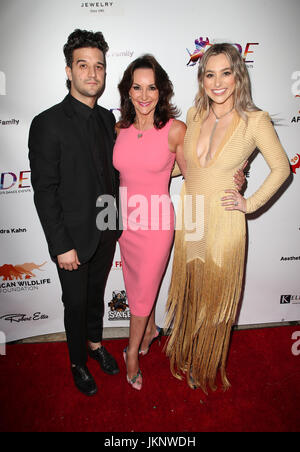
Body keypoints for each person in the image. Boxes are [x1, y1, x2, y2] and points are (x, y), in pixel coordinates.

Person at [113, 54, 246, 390]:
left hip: (157, 224)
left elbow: (194, 175)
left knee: (142, 290)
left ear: (162, 91)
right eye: (137, 88)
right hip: (124, 222)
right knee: (137, 286)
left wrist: (233, 181)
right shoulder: (119, 128)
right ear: (127, 92)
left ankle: (131, 353)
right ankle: (151, 331)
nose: (144, 95)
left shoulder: (175, 130)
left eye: (152, 88)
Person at [165, 43, 291, 393]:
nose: (217, 82)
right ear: (201, 79)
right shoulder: (193, 114)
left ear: (238, 76)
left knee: (215, 298)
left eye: (225, 73)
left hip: (224, 220)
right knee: (191, 292)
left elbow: (282, 168)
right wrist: (149, 170)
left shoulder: (255, 120)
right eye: (209, 74)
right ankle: (188, 350)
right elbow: (184, 168)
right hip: (191, 215)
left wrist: (249, 203)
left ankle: (205, 361)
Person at [28, 29, 121, 396]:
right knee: (76, 303)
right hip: (72, 241)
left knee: (97, 295)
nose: (92, 73)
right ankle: (77, 363)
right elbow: (44, 191)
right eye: (83, 65)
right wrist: (61, 245)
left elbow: (110, 176)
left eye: (99, 66)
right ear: (69, 70)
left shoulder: (104, 119)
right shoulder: (47, 123)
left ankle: (96, 347)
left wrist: (113, 225)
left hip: (105, 230)